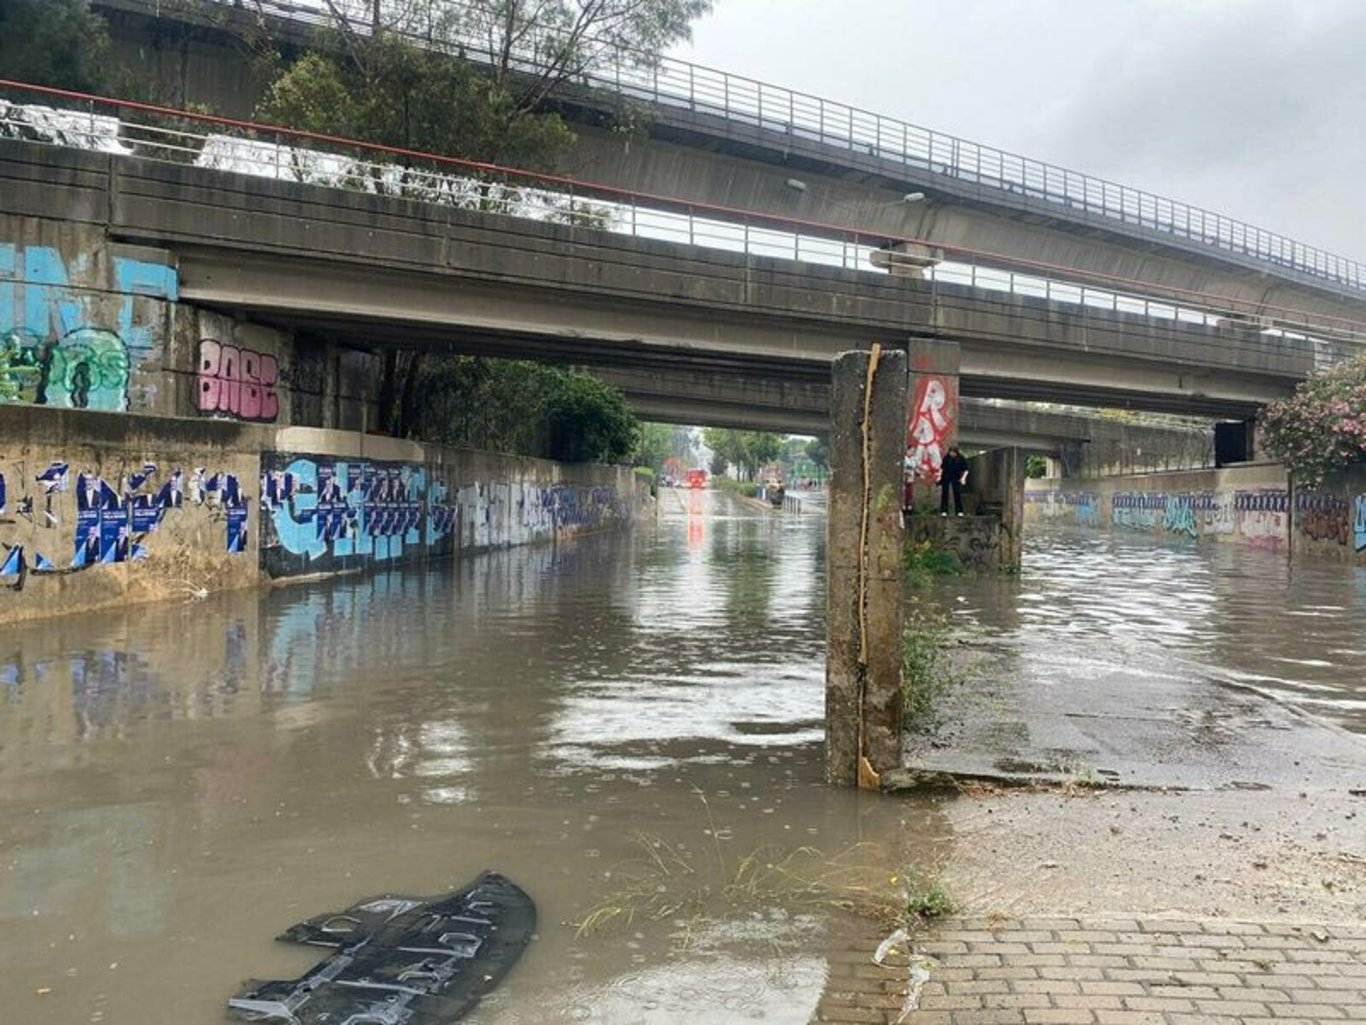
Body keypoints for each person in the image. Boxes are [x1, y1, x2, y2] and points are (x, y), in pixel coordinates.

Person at [939, 446, 969, 517]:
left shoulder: (961, 458)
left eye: (953, 453)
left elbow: (966, 469)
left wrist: (963, 478)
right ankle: (944, 510)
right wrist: (939, 477)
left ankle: (959, 511)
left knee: (957, 493)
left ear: (956, 452)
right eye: (950, 452)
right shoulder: (946, 458)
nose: (952, 454)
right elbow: (942, 468)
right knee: (945, 493)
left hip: (956, 476)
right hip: (946, 476)